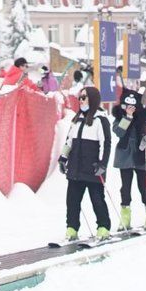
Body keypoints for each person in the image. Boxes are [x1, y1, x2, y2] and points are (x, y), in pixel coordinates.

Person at [58, 86, 113, 240]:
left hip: (92, 168)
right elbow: (69, 141)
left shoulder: (100, 120)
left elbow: (106, 144)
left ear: (93, 99)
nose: (81, 101)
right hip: (75, 167)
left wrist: (102, 164)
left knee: (97, 199)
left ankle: (103, 227)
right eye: (80, 98)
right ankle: (72, 228)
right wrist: (63, 158)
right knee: (72, 200)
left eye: (84, 97)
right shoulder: (77, 119)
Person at [111, 88, 146, 230]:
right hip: (125, 156)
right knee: (125, 188)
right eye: (127, 105)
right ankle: (125, 217)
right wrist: (127, 117)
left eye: (133, 106)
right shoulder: (120, 116)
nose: (130, 108)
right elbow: (119, 132)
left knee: (144, 187)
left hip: (142, 155)